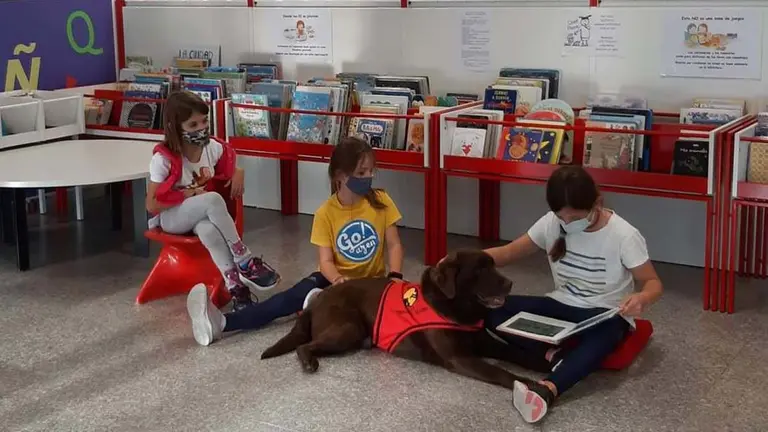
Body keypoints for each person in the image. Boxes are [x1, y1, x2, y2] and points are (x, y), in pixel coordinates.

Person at [481, 166, 663, 423]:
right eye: (561, 218)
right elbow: (509, 252)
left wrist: (641, 299)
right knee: (491, 308)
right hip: (561, 303)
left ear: (597, 203)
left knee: (609, 332)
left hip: (604, 313)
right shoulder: (551, 223)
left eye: (575, 218)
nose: (567, 224)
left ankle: (548, 390)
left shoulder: (624, 235)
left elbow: (653, 282)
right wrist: (464, 260)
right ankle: (559, 357)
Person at [186, 137, 405, 346]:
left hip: (371, 282)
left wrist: (394, 276)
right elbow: (326, 261)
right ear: (340, 175)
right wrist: (338, 280)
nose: (368, 177)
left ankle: (320, 305)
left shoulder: (381, 201)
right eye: (361, 172)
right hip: (333, 279)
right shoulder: (325, 213)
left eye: (371, 171)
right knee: (287, 299)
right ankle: (223, 323)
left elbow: (394, 244)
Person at [146, 91, 280, 312]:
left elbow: (228, 164)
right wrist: (187, 195)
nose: (201, 128)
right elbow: (152, 205)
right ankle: (244, 260)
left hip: (198, 214)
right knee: (213, 199)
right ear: (175, 128)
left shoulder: (211, 148)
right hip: (171, 217)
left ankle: (236, 289)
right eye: (192, 124)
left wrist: (239, 171)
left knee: (208, 230)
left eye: (204, 121)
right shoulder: (163, 160)